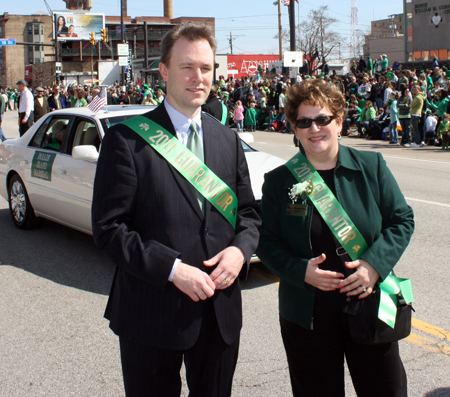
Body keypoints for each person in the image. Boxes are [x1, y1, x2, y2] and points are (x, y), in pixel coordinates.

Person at [91, 23, 261, 397]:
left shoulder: (226, 139)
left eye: (206, 68)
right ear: (165, 71)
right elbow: (109, 228)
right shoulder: (127, 140)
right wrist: (172, 270)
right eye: (187, 67)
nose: (198, 77)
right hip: (151, 312)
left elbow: (248, 215)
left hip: (219, 314)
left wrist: (239, 251)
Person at [256, 78, 414, 397]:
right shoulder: (278, 181)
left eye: (323, 119)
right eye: (304, 121)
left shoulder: (371, 166)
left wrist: (373, 265)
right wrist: (300, 270)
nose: (314, 128)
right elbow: (265, 241)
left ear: (338, 122)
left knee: (386, 390)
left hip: (371, 301)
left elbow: (401, 220)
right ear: (295, 129)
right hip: (307, 311)